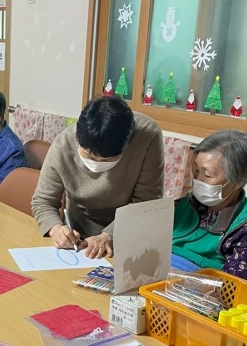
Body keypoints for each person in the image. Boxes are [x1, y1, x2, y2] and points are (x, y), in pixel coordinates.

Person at [31, 94, 164, 259]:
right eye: (89, 156)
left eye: (107, 160)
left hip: (130, 235)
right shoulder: (63, 144)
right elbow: (43, 201)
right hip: (79, 240)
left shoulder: (147, 136)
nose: (97, 164)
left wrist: (108, 236)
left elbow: (146, 205)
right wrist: (56, 228)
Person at [172, 130, 247, 281]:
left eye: (207, 175)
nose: (198, 180)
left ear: (237, 181)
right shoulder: (185, 204)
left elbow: (235, 285)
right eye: (196, 171)